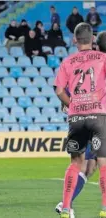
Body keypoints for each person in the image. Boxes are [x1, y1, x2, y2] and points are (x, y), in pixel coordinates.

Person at [54, 23, 106, 218]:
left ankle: (66, 208)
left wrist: (72, 103)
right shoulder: (103, 58)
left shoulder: (67, 61)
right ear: (93, 39)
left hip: (76, 117)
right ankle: (104, 208)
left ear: (75, 40)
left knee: (76, 162)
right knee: (102, 161)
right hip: (98, 115)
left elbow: (59, 90)